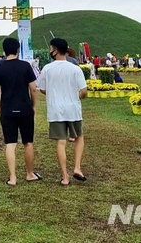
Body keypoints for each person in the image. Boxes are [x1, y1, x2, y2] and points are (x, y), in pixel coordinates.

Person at [36, 38, 88, 186]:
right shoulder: (75, 68)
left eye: (51, 48)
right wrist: (74, 96)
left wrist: (53, 94)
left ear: (55, 50)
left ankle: (65, 177)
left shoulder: (47, 68)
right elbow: (84, 91)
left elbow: (42, 88)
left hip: (55, 110)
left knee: (61, 142)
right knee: (79, 137)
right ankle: (77, 168)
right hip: (73, 109)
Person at [0, 37, 41, 185]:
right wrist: (33, 105)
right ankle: (30, 174)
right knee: (28, 142)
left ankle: (12, 178)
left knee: (10, 143)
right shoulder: (25, 66)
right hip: (25, 109)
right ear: (18, 50)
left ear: (4, 51)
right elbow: (33, 88)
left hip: (7, 110)